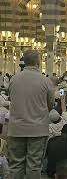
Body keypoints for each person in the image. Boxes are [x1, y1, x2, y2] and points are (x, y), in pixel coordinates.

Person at [7, 50, 55, 178]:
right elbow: (50, 105)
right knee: (34, 165)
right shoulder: (45, 81)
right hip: (37, 130)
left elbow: (11, 99)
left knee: (16, 165)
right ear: (38, 62)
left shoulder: (14, 79)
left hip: (16, 128)